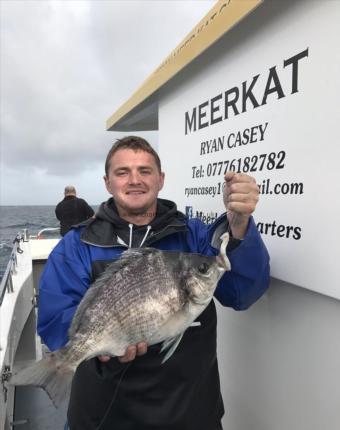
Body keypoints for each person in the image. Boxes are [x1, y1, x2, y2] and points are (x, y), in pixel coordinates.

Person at [38, 136, 270, 430]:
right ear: (108, 182)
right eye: (123, 172)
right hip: (103, 418)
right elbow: (53, 318)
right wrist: (104, 342)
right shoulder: (77, 245)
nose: (135, 180)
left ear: (160, 180)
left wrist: (239, 226)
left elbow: (243, 293)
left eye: (145, 171)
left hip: (191, 414)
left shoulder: (193, 235)